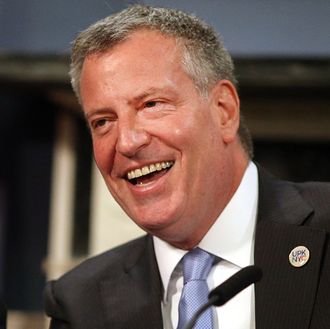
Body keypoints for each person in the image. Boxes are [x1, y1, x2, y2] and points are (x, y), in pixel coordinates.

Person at [43, 5, 330, 329]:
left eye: (151, 104)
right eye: (103, 121)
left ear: (224, 111)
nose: (126, 142)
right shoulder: (80, 305)